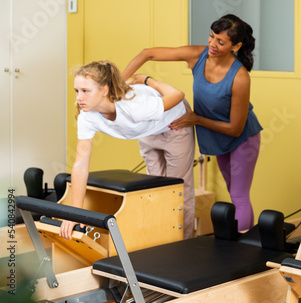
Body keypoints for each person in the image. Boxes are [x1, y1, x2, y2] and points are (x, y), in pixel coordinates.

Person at [122, 14, 262, 232]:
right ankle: (236, 244)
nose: (212, 44)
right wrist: (117, 86)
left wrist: (195, 119)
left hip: (243, 137)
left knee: (238, 194)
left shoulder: (240, 77)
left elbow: (235, 128)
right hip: (217, 134)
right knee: (231, 187)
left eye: (220, 42)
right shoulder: (198, 55)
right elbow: (147, 54)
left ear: (236, 46)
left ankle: (246, 249)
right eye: (211, 37)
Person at [60, 60, 195, 240]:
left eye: (85, 91)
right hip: (147, 129)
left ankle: (182, 244)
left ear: (104, 90)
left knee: (178, 189)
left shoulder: (134, 107)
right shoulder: (87, 115)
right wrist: (74, 212)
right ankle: (160, 239)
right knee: (156, 190)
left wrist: (148, 81)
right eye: (77, 91)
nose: (79, 97)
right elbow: (80, 164)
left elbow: (178, 94)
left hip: (175, 124)